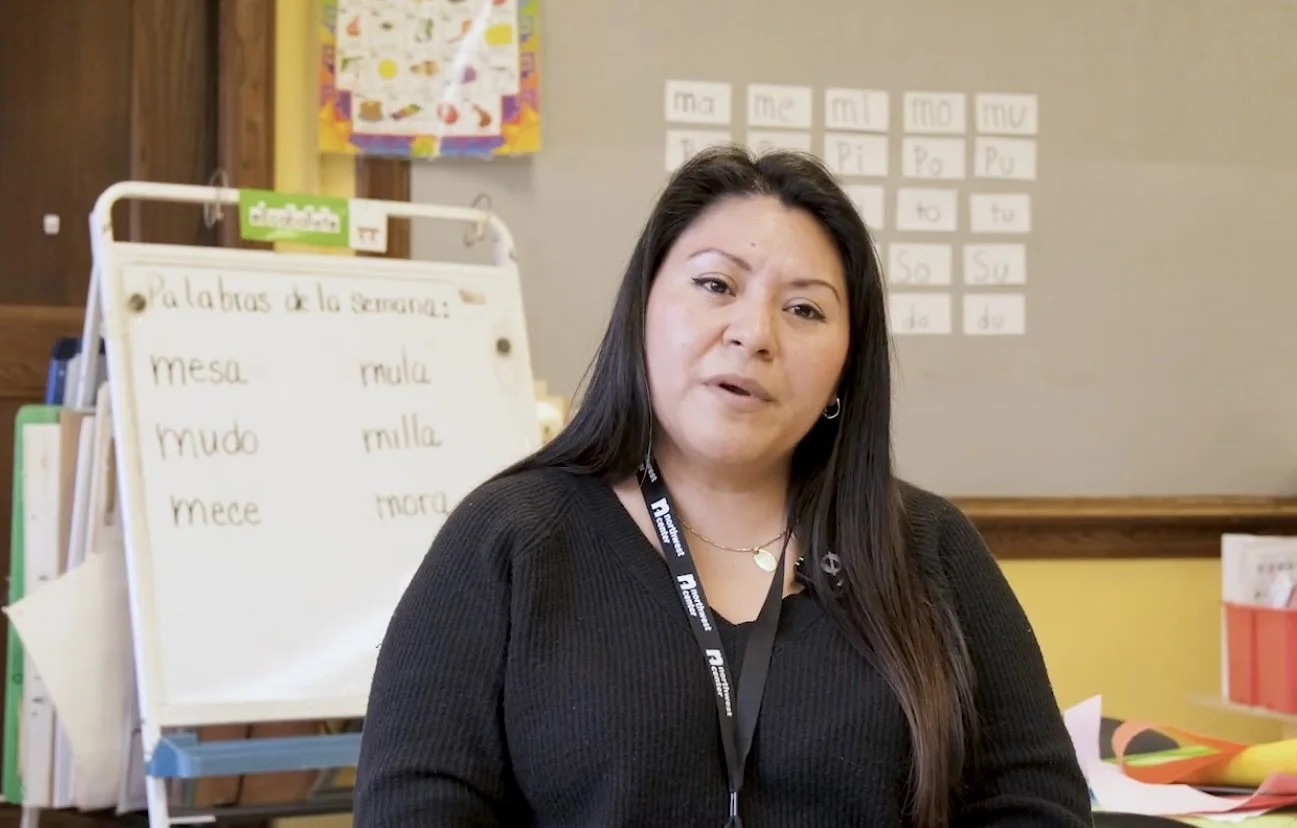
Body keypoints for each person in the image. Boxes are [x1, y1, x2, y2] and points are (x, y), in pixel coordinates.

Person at [353, 146, 1093, 828]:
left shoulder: (927, 548)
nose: (754, 332)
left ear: (845, 366)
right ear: (643, 307)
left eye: (804, 308)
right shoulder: (508, 540)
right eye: (716, 284)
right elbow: (415, 808)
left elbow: (1034, 804)